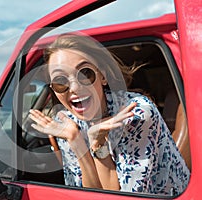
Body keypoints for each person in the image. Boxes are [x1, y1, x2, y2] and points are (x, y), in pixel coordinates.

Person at [28, 34, 190, 195]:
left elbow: (126, 196)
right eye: (60, 82)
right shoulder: (67, 123)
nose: (75, 88)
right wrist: (77, 141)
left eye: (85, 74)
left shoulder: (137, 113)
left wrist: (98, 144)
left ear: (102, 76)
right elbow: (89, 193)